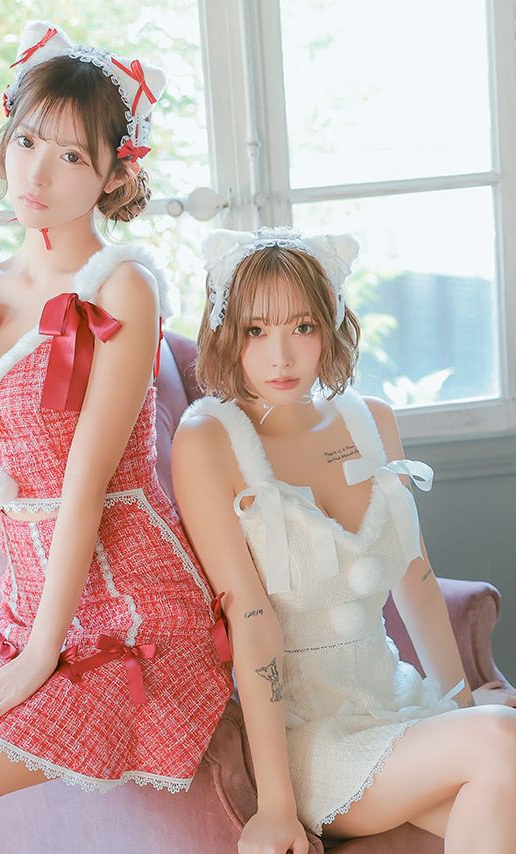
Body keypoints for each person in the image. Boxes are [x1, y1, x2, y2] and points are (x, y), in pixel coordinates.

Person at [0, 21, 232, 853]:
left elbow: (87, 485)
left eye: (72, 155)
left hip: (134, 613)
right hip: (28, 614)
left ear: (115, 173)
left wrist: (41, 656)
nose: (36, 172)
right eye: (28, 140)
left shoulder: (122, 289)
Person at [172, 225, 516, 854]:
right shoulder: (209, 439)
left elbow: (417, 581)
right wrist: (276, 807)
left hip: (399, 704)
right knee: (503, 737)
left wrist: (461, 704)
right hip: (311, 741)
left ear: (330, 324)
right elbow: (250, 620)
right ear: (225, 332)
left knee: (501, 779)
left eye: (302, 327)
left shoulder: (370, 419)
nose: (281, 357)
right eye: (256, 330)